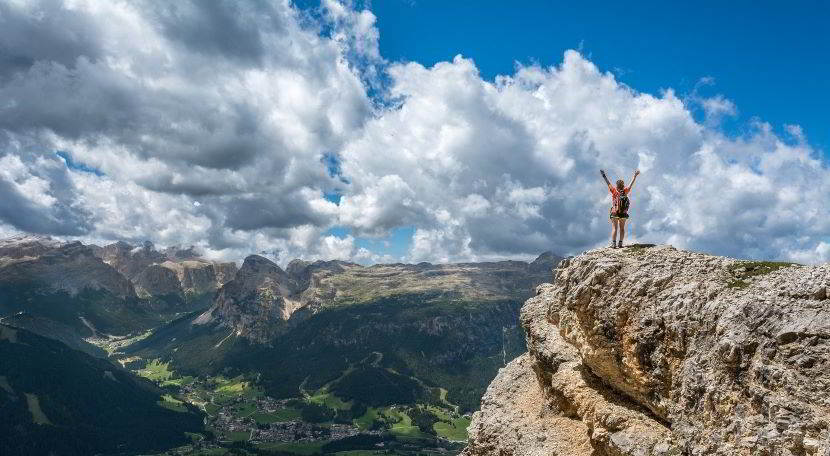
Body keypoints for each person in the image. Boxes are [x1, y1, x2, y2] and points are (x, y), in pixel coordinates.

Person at [600, 169, 640, 248]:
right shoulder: (625, 191)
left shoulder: (614, 191)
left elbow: (608, 183)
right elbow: (631, 184)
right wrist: (635, 176)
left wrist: (604, 175)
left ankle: (614, 244)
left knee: (614, 228)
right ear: (623, 185)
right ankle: (620, 243)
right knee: (622, 228)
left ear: (617, 185)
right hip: (623, 213)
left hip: (615, 212)